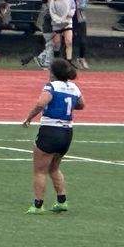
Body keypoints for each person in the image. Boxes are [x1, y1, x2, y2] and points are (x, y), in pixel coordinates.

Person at [22, 55, 84, 214]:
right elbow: (81, 105)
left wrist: (29, 118)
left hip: (50, 131)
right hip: (67, 133)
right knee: (54, 168)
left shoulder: (51, 86)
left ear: (53, 72)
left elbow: (40, 103)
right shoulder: (74, 88)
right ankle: (61, 200)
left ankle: (38, 205)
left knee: (39, 170)